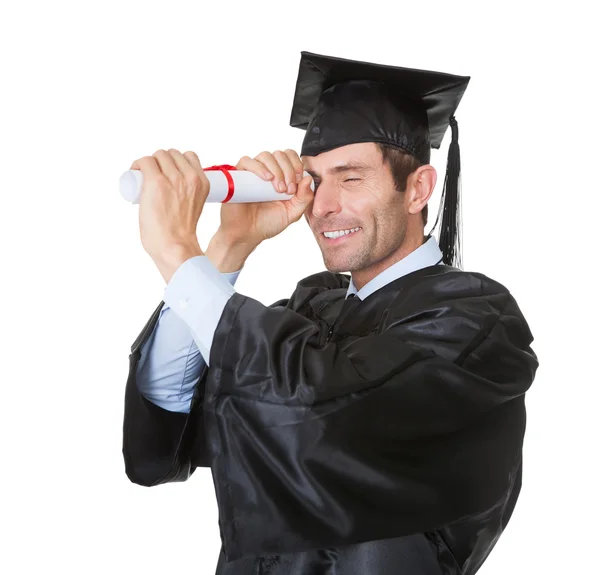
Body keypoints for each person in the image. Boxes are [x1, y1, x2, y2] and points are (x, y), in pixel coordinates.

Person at [122, 51, 539, 574]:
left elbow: (319, 424)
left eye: (351, 178)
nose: (321, 207)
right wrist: (227, 247)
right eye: (315, 180)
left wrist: (177, 253)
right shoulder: (310, 309)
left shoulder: (474, 324)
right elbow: (164, 431)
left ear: (418, 188)